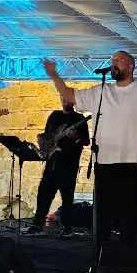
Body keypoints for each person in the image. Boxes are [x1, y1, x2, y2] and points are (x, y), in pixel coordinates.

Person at [42, 51, 137, 251]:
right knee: (102, 217)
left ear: (131, 65)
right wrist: (54, 75)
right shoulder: (101, 92)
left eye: (119, 60)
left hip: (134, 163)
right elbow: (69, 95)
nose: (113, 62)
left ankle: (126, 258)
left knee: (129, 216)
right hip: (104, 163)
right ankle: (101, 258)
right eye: (112, 60)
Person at [27, 101, 90, 236]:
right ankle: (37, 225)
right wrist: (44, 145)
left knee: (67, 198)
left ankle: (67, 227)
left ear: (73, 101)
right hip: (52, 163)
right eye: (62, 98)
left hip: (69, 165)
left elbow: (86, 141)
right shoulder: (54, 116)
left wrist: (76, 137)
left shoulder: (79, 118)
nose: (64, 101)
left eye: (67, 99)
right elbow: (46, 137)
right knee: (43, 195)